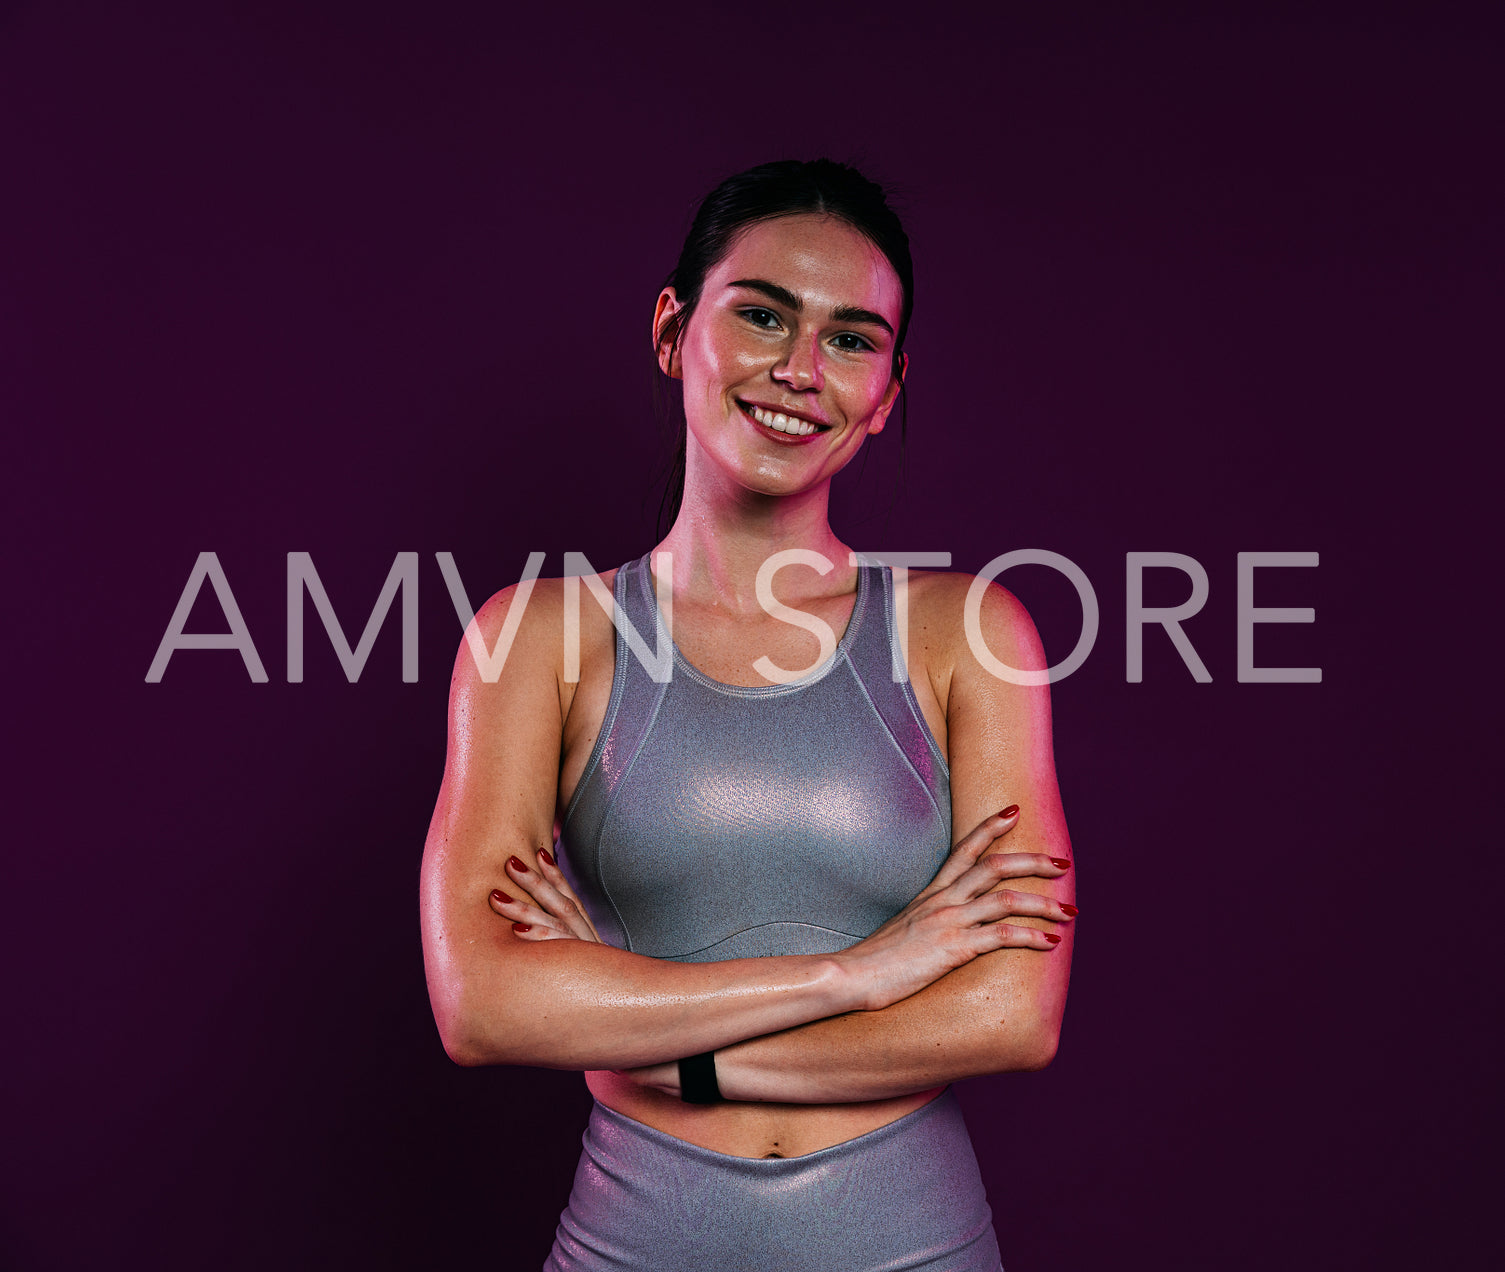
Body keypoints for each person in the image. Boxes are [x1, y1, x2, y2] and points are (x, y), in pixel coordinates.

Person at [419, 159, 1077, 1271]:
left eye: (851, 338)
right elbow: (482, 1005)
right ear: (674, 330)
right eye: (763, 315)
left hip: (911, 1247)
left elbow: (1011, 1015)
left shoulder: (968, 634)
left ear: (888, 394)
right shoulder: (535, 637)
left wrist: (635, 1038)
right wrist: (856, 973)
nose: (799, 370)